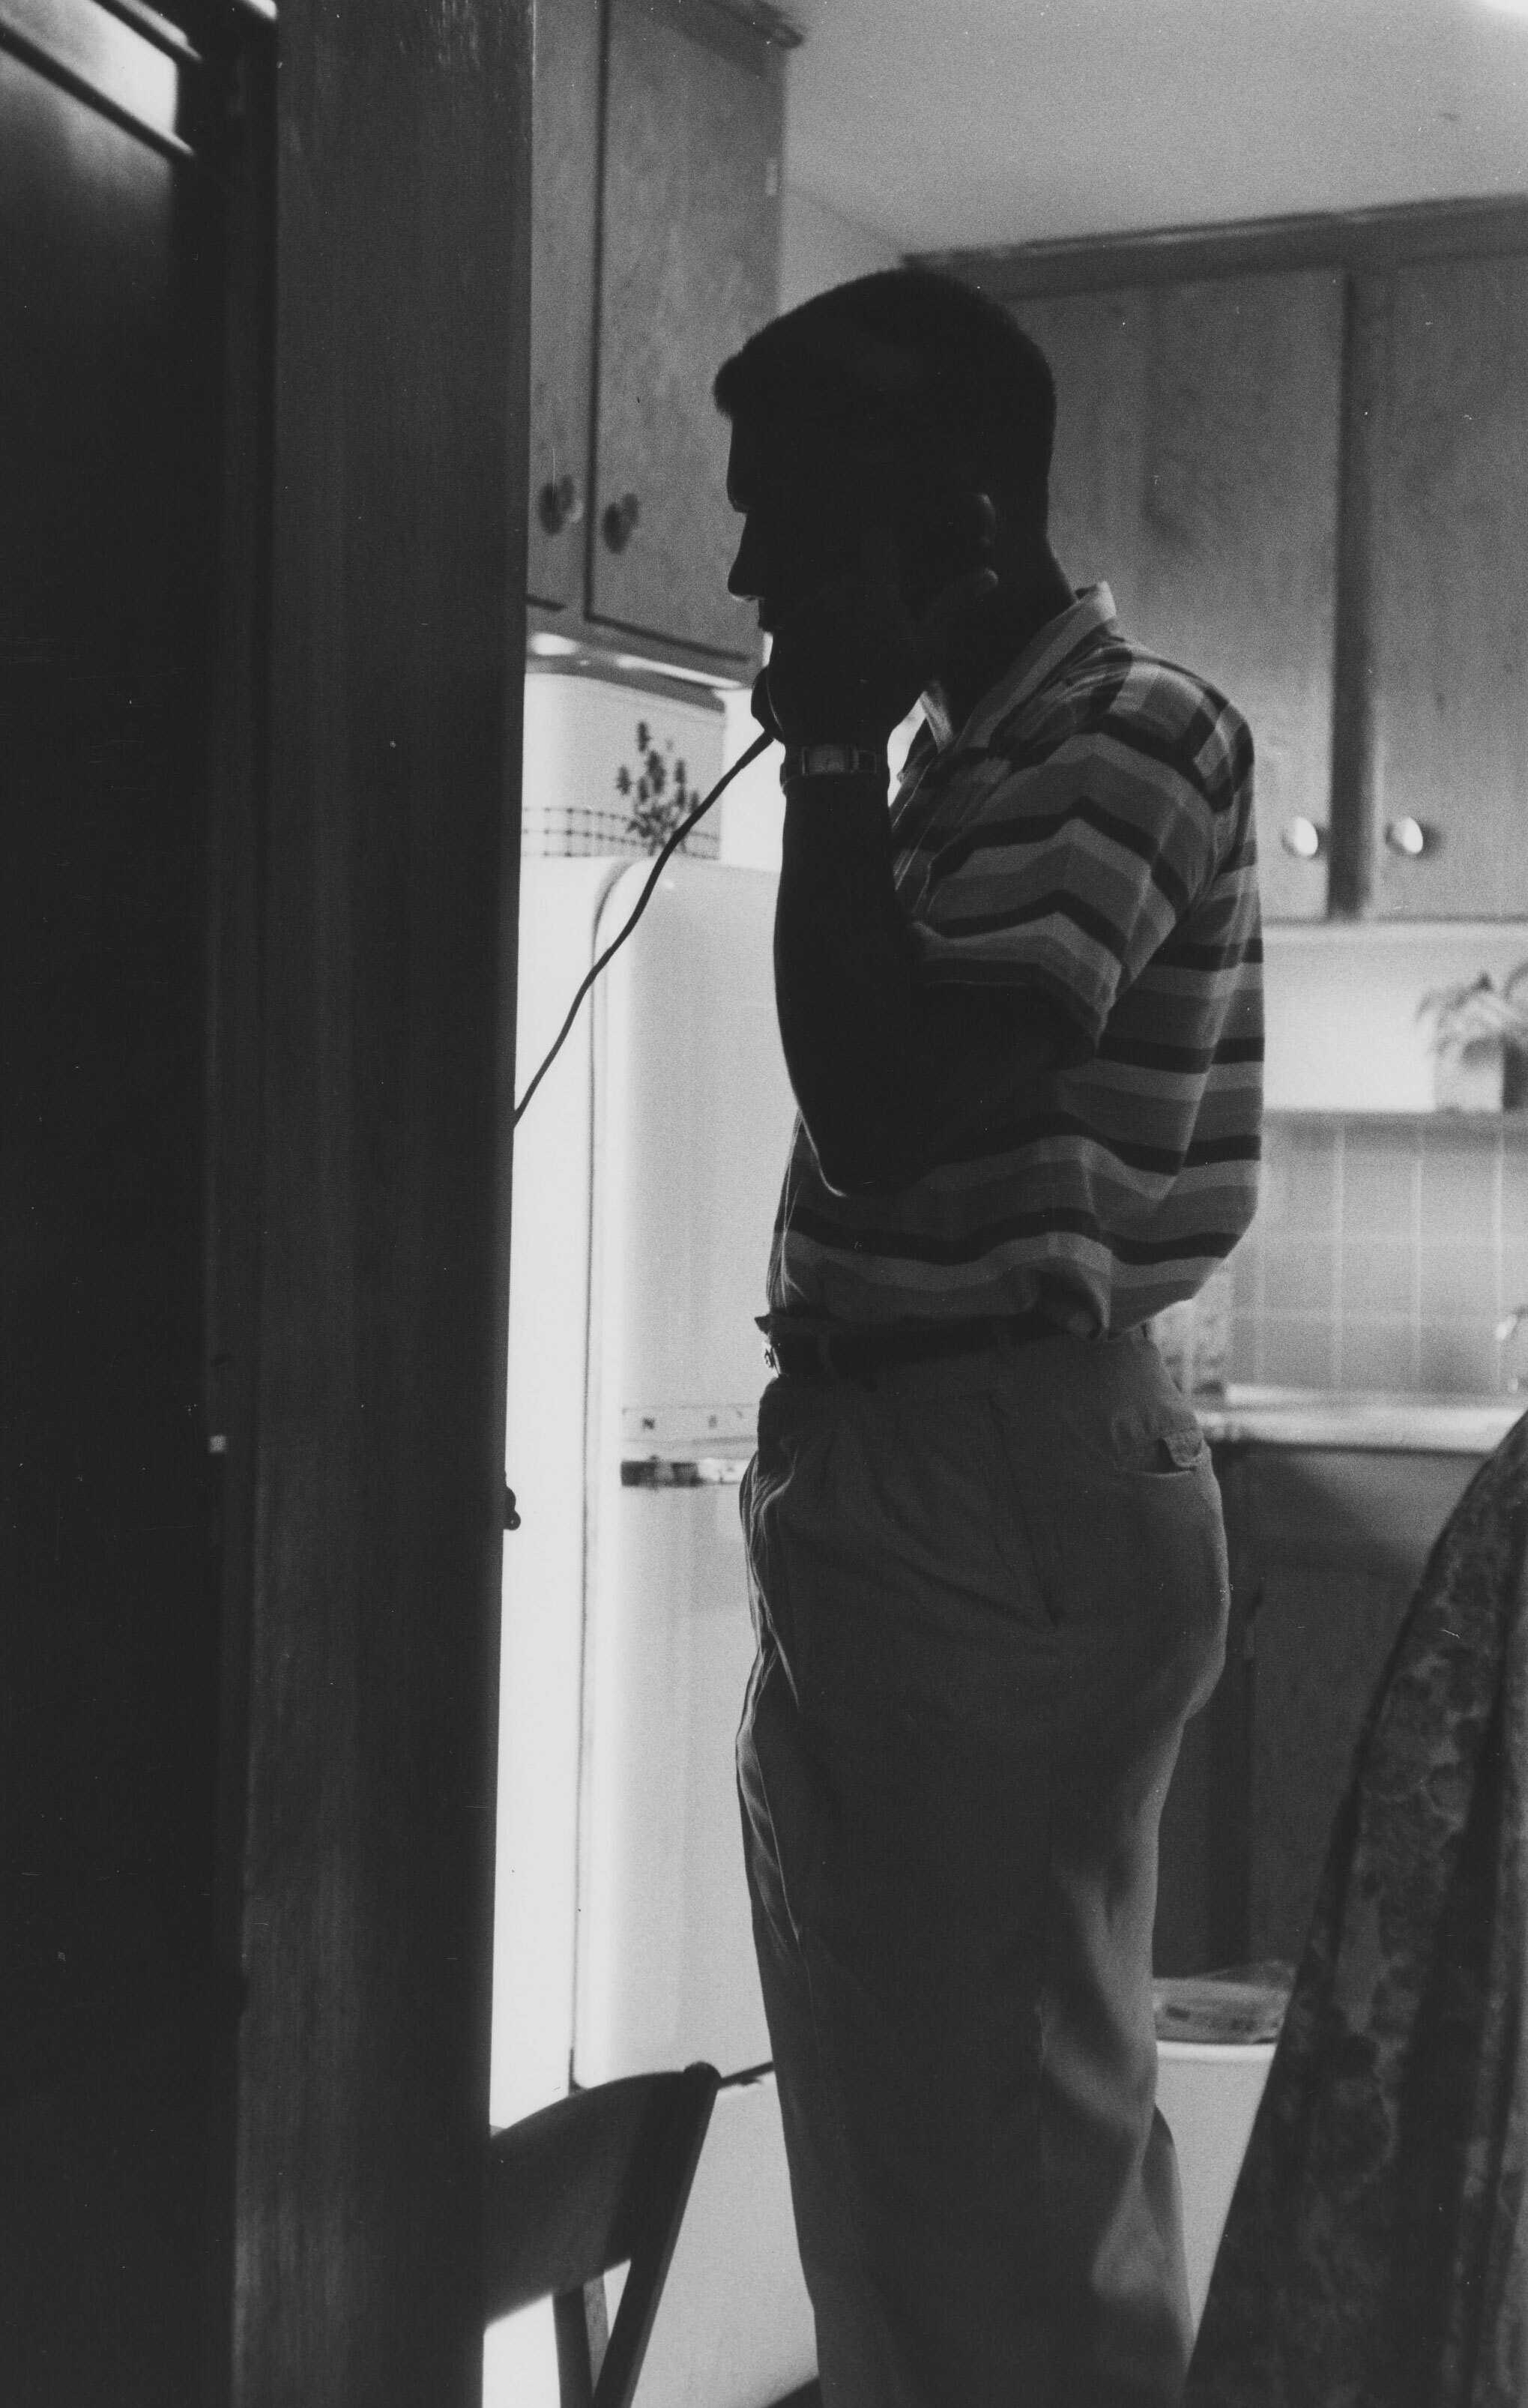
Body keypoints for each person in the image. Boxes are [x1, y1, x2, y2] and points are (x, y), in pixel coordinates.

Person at [714, 268, 1263, 2408]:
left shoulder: (1134, 732)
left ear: (955, 514)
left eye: (788, 515)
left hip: (994, 1482)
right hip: (906, 1488)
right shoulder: (976, 754)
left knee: (998, 2197)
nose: (748, 565)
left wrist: (832, 749)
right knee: (905, 2179)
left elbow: (888, 1100)